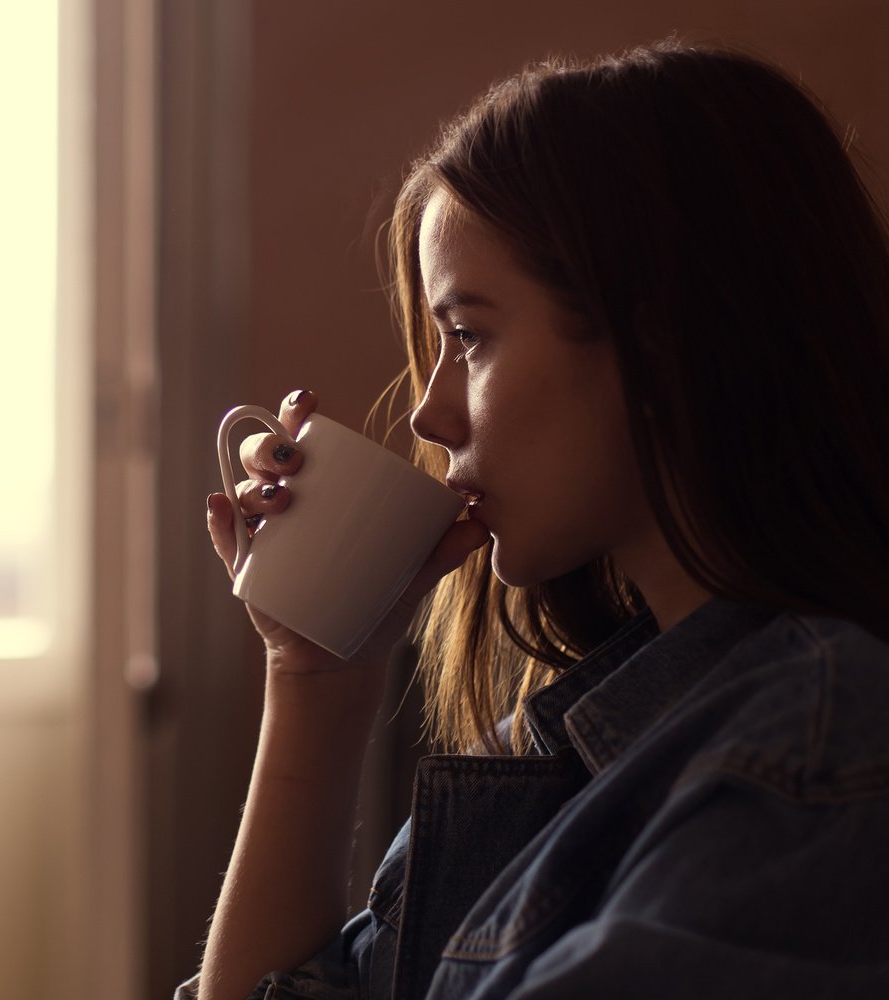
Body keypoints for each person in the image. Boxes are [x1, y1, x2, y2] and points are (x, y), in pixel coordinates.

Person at [190, 39, 889, 1000]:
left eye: (468, 336)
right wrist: (315, 672)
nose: (431, 415)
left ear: (662, 337)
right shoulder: (584, 736)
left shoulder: (808, 749)